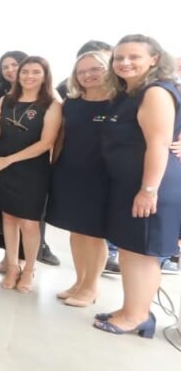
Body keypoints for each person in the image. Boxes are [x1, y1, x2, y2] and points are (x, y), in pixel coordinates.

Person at [95, 35, 180, 338]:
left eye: (134, 57)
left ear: (154, 59)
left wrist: (148, 190)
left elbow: (158, 144)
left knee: (142, 253)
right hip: (129, 183)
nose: (124, 63)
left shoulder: (155, 93)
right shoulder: (131, 93)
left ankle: (138, 316)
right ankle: (131, 309)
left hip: (150, 185)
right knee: (130, 250)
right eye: (119, 57)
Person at [0, 56, 62, 293]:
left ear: (45, 75)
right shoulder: (5, 100)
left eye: (36, 72)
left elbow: (46, 143)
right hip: (2, 167)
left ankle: (29, 268)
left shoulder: (51, 104)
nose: (29, 76)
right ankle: (12, 266)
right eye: (25, 71)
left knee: (29, 223)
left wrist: (7, 160)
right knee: (8, 218)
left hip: (32, 170)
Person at [46, 52, 113, 306]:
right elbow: (61, 138)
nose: (88, 75)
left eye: (95, 69)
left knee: (94, 233)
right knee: (76, 230)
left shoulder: (120, 102)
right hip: (69, 172)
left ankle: (91, 286)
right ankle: (79, 280)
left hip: (102, 176)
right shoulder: (71, 103)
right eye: (82, 71)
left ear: (107, 69)